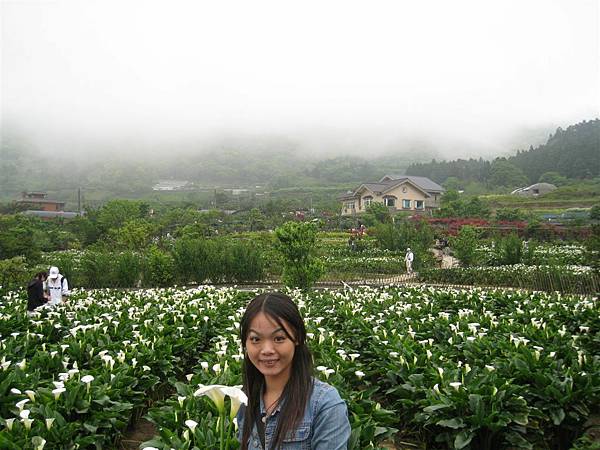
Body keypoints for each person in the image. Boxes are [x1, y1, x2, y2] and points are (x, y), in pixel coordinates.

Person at [237, 292, 350, 450]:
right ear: (245, 343)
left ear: (296, 338)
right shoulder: (244, 399)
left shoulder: (325, 405)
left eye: (279, 338)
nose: (267, 350)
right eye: (256, 339)